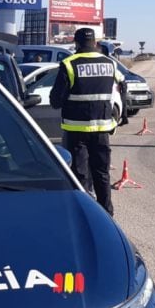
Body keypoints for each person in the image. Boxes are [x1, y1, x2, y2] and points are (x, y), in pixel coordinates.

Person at [50, 28, 123, 216]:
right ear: (95, 43)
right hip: (102, 128)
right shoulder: (110, 63)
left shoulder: (69, 64)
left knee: (79, 174)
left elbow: (55, 100)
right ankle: (107, 213)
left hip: (76, 129)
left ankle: (85, 214)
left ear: (76, 43)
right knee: (102, 173)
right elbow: (123, 86)